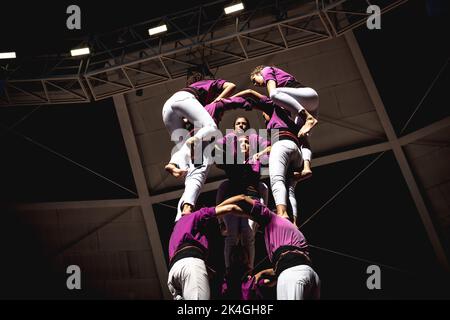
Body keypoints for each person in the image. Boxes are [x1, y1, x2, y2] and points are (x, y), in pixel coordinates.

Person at [217, 195, 320, 300]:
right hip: (311, 276)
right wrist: (262, 273)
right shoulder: (294, 232)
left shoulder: (271, 218)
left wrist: (215, 211)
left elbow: (241, 199)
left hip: (293, 275)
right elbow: (292, 263)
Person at [231, 89, 303, 224]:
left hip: (282, 145)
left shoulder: (274, 109)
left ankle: (282, 213)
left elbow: (250, 93)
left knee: (277, 180)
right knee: (290, 188)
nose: (264, 116)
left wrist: (228, 101)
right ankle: (293, 222)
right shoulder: (288, 121)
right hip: (296, 150)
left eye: (264, 115)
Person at [215, 129, 270, 273]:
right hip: (233, 200)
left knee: (249, 236)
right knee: (231, 236)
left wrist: (261, 215)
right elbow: (218, 154)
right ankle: (228, 270)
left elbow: (270, 147)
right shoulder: (231, 161)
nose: (244, 144)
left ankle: (249, 270)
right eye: (241, 143)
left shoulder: (255, 160)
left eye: (247, 142)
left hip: (251, 199)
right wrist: (220, 222)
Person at [162, 71, 236, 179]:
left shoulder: (196, 93)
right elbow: (231, 86)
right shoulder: (210, 83)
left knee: (184, 149)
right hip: (184, 98)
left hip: (166, 109)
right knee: (211, 127)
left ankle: (173, 164)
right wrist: (215, 101)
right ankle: (193, 140)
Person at [250, 65, 319, 180]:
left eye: (254, 80)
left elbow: (271, 91)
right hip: (309, 104)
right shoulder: (284, 92)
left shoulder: (266, 70)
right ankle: (306, 168)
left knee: (273, 94)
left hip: (306, 95)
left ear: (258, 73)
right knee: (301, 136)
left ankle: (308, 118)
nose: (256, 84)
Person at [167, 202, 242, 300]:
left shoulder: (176, 229)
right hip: (190, 266)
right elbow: (231, 207)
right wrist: (253, 213)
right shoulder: (197, 215)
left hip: (173, 274)